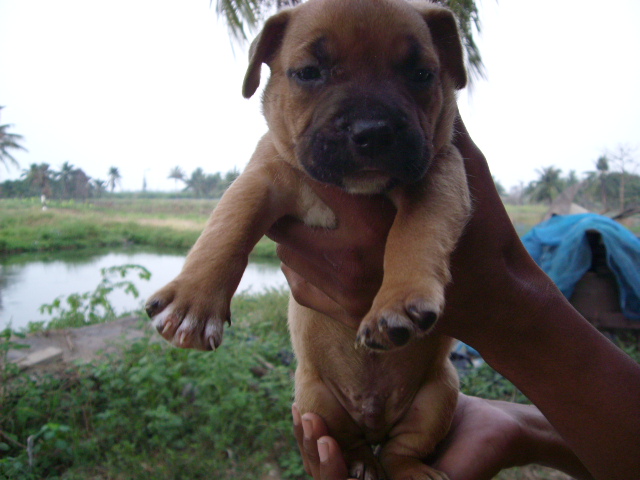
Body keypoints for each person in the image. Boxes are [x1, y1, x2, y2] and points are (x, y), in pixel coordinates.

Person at [268, 116, 640, 480]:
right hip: (332, 392)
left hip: (417, 393)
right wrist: (521, 427)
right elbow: (257, 188)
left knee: (437, 391)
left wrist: (505, 302)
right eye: (310, 79)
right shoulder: (280, 152)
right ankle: (357, 451)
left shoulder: (437, 161)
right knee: (318, 411)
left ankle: (401, 455)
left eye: (418, 80)